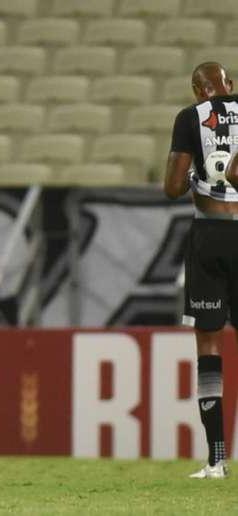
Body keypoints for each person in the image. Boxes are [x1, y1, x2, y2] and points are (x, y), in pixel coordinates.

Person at [168, 62, 238, 479]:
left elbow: (172, 186)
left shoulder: (189, 118)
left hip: (209, 234)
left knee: (208, 347)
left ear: (199, 90)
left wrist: (197, 174)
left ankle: (216, 459)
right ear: (229, 85)